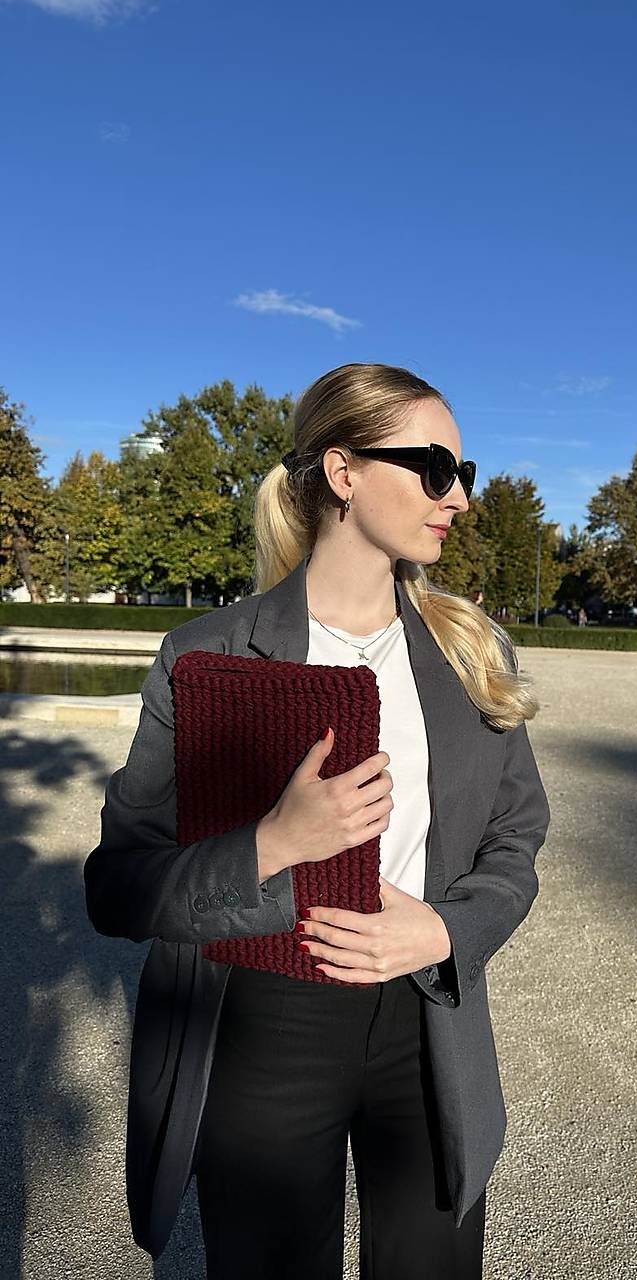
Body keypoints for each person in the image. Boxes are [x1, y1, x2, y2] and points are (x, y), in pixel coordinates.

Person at [83, 363, 551, 1278]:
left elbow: (515, 835)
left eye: (463, 473)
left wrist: (446, 931)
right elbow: (117, 886)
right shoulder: (209, 653)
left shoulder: (470, 650)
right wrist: (272, 845)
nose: (457, 497)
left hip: (427, 1017)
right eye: (434, 468)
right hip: (264, 1024)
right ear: (343, 472)